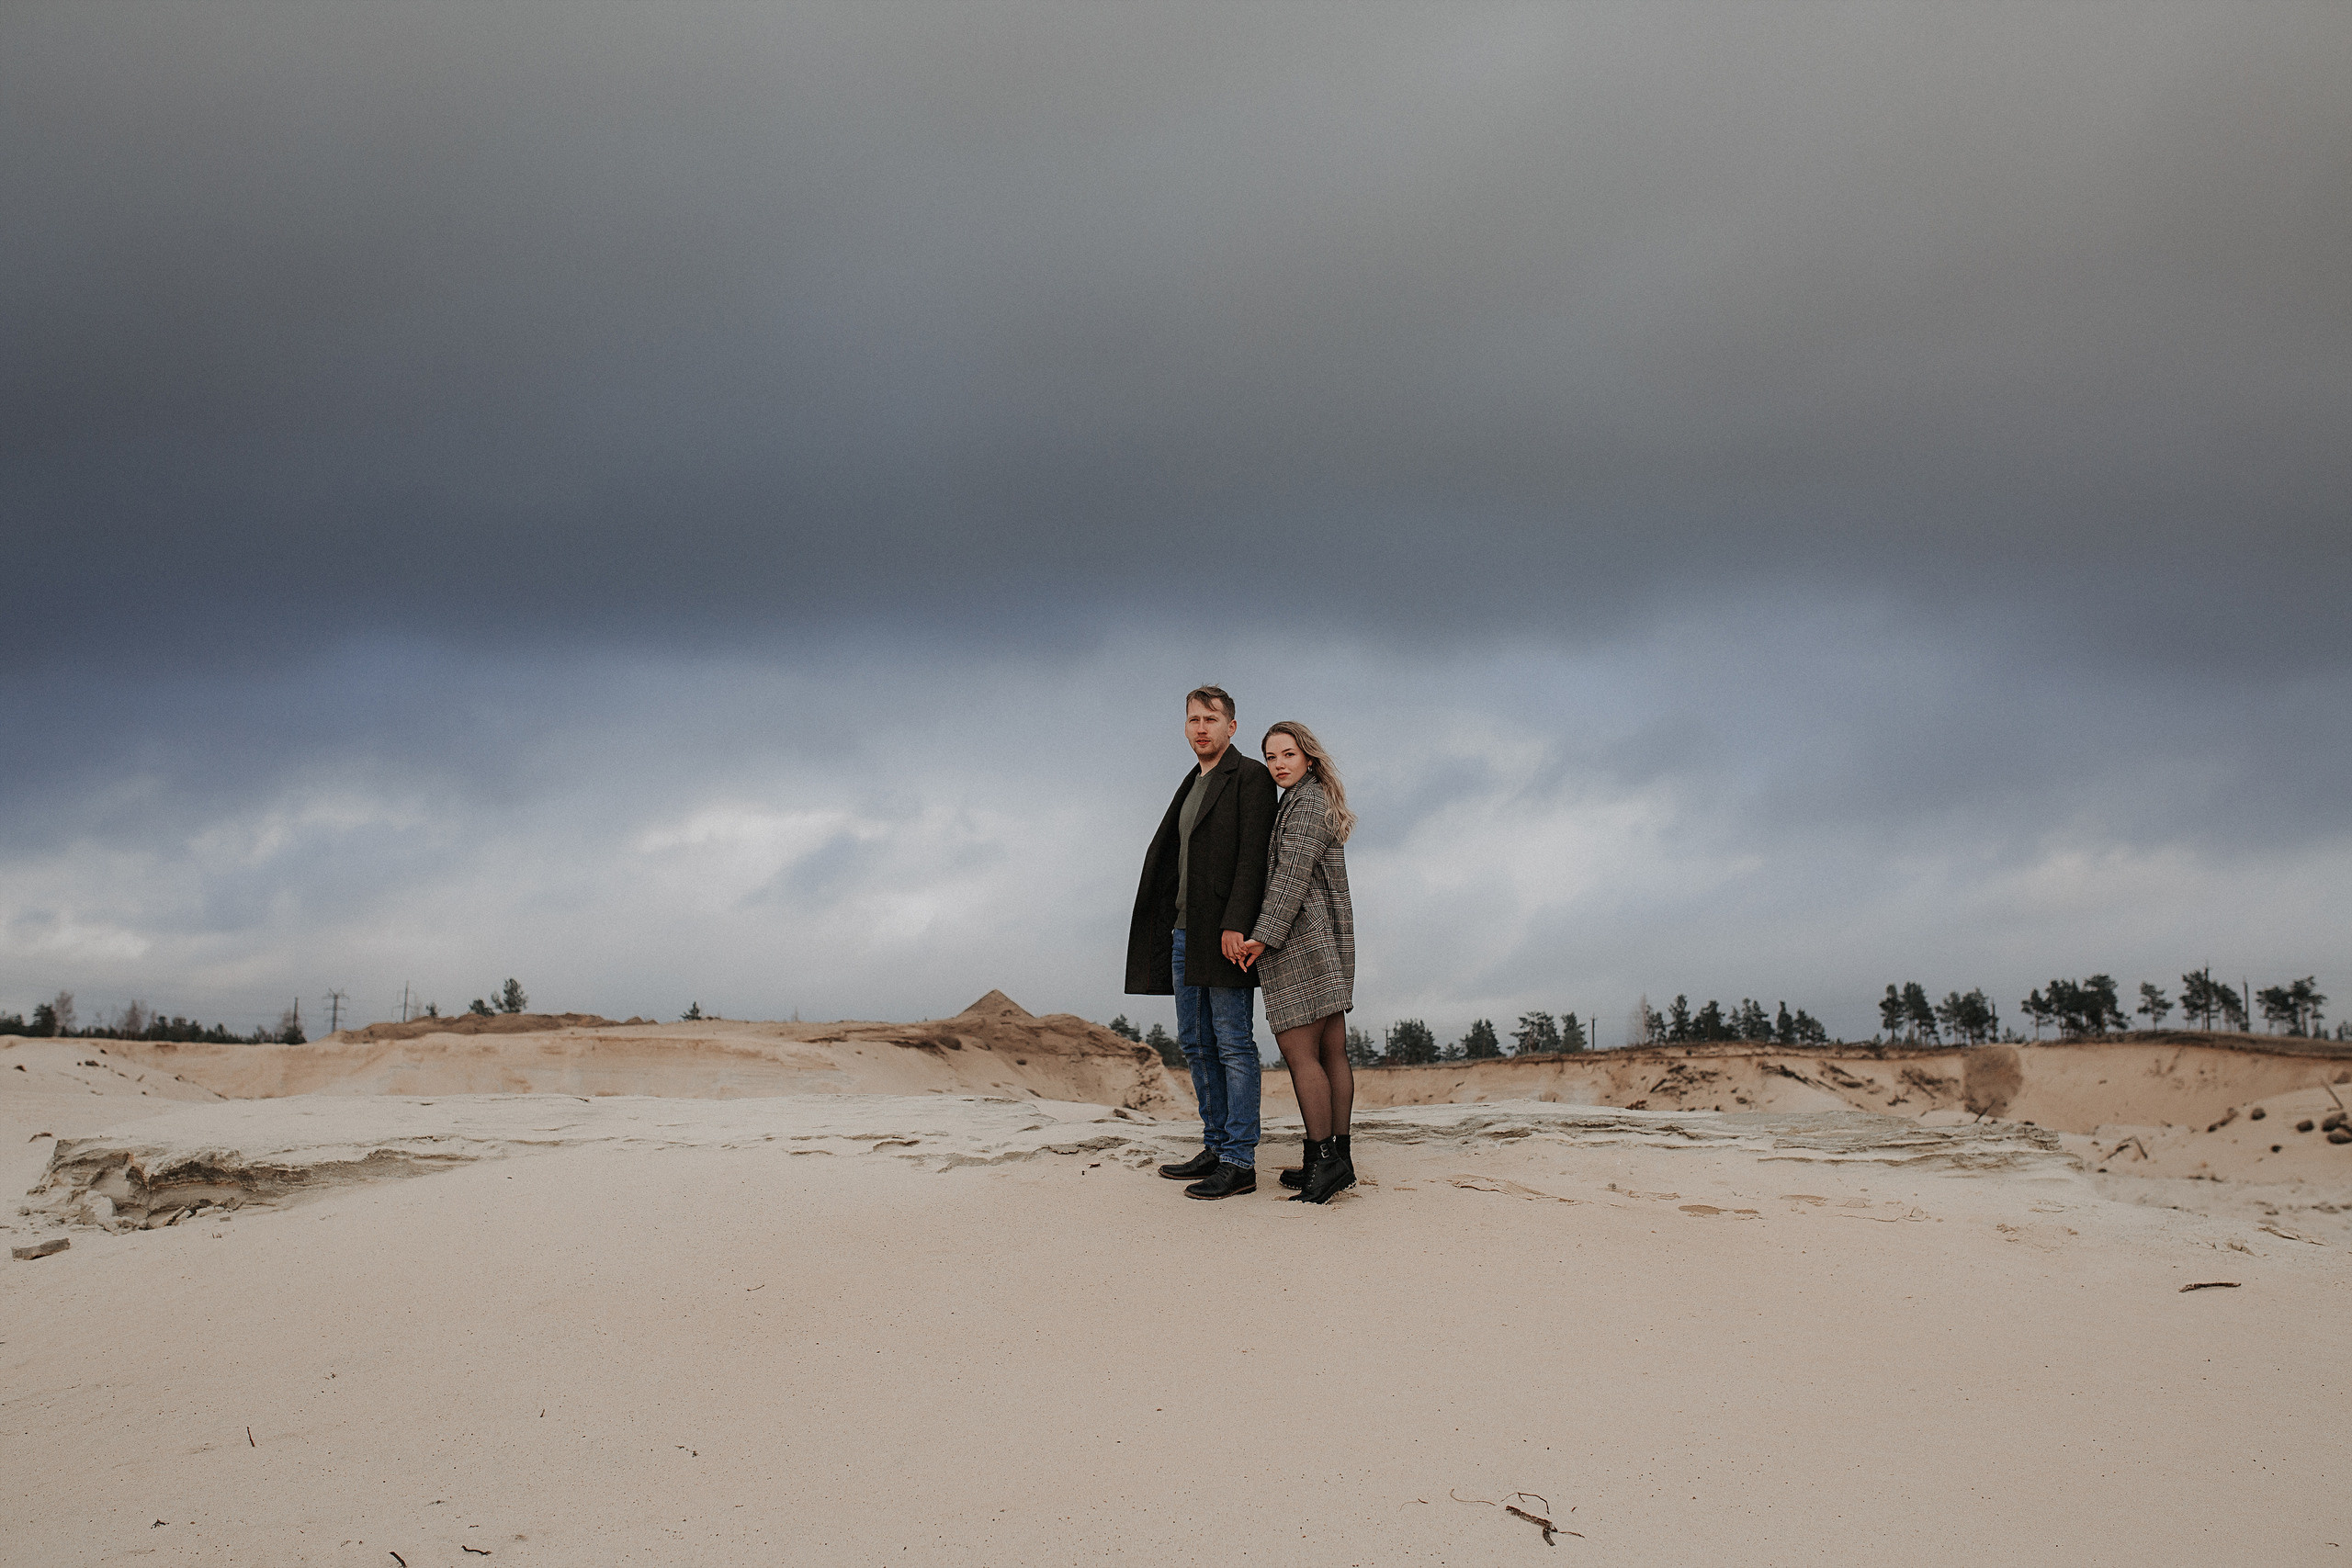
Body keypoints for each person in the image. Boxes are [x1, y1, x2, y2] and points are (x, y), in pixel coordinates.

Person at [1124, 685, 1277, 1199]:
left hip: (1225, 933)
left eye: (1211, 719)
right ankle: (1215, 1145)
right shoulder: (1192, 782)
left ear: (1231, 727)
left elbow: (1253, 858)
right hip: (1184, 932)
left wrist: (1238, 924)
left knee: (1232, 1041)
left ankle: (1240, 1160)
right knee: (1195, 1041)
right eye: (1194, 719)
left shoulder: (1251, 777)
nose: (1201, 728)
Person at [1237, 721, 1358, 1203]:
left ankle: (1324, 1162)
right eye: (1271, 757)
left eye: (1288, 754)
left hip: (1302, 943)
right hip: (1322, 940)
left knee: (1301, 1053)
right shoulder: (1309, 798)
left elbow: (1291, 877)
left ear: (1308, 756)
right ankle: (1336, 1158)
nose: (1278, 764)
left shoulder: (1305, 804)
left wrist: (1262, 937)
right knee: (1331, 1052)